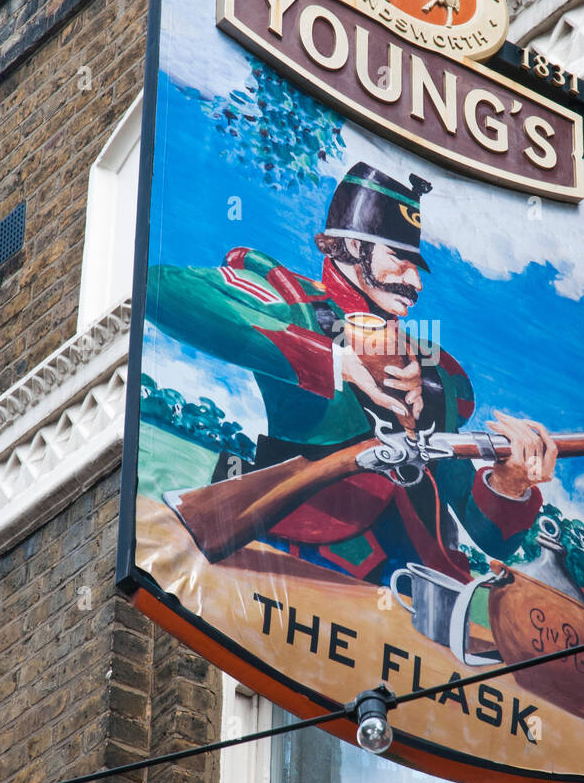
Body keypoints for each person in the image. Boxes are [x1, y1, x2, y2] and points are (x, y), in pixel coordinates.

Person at [146, 161, 557, 584]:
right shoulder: (291, 302)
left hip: (422, 584)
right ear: (353, 246)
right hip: (302, 560)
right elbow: (162, 289)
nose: (416, 282)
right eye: (399, 259)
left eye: (416, 266)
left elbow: (488, 536)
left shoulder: (432, 369)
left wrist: (510, 483)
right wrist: (331, 360)